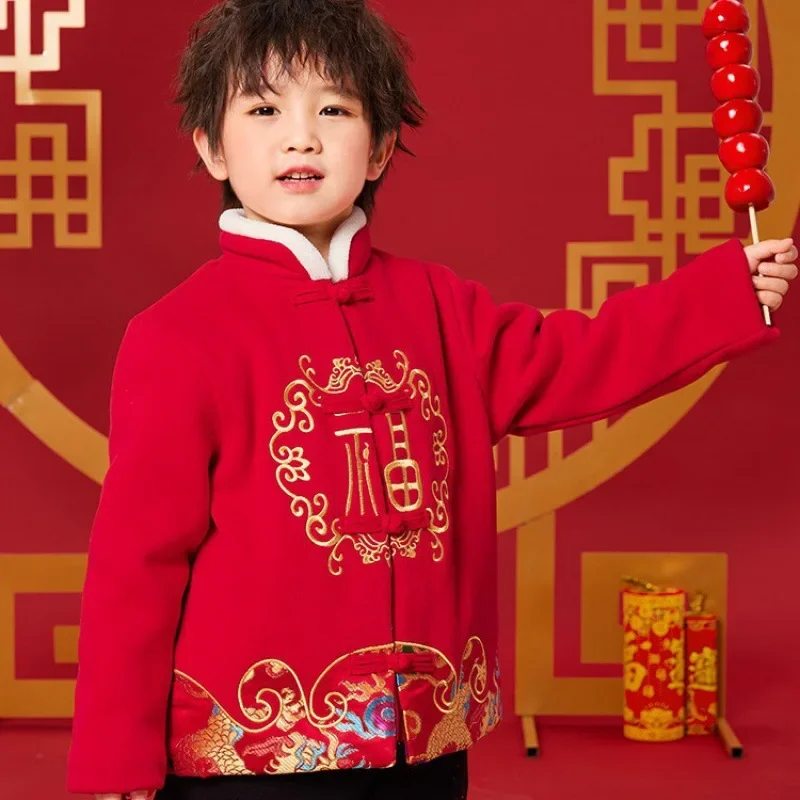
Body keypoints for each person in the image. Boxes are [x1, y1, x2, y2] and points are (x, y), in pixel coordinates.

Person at [66, 1, 798, 798]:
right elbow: (134, 565)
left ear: (379, 149)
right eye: (265, 108)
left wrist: (724, 293)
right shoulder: (176, 336)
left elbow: (580, 357)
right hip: (252, 759)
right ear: (211, 145)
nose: (300, 135)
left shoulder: (440, 305)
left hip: (426, 741)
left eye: (335, 108)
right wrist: (115, 759)